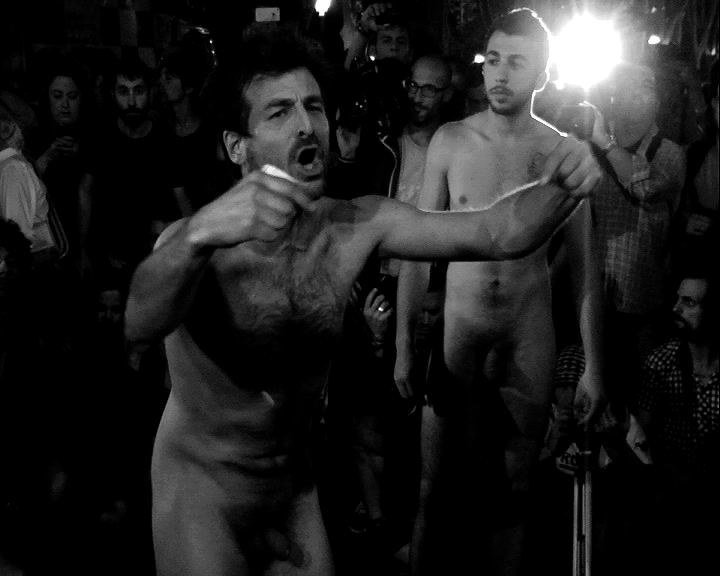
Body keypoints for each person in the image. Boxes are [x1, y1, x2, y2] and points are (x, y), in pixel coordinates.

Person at [124, 24, 601, 576]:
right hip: (204, 493)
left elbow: (499, 232)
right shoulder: (195, 244)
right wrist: (199, 232)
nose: (307, 125)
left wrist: (564, 182)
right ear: (238, 146)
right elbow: (139, 322)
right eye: (279, 113)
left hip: (293, 488)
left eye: (313, 107)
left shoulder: (355, 226)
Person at [392, 9, 605, 575]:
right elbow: (417, 249)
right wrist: (404, 346)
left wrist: (595, 365)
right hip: (458, 331)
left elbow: (585, 269)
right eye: (493, 60)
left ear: (542, 74)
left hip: (526, 333)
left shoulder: (560, 152)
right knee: (434, 488)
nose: (501, 73)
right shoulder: (452, 140)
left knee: (515, 490)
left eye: (516, 62)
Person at [633, 264, 719, 574]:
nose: (676, 308)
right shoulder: (662, 361)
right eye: (678, 299)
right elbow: (640, 435)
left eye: (689, 302)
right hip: (674, 492)